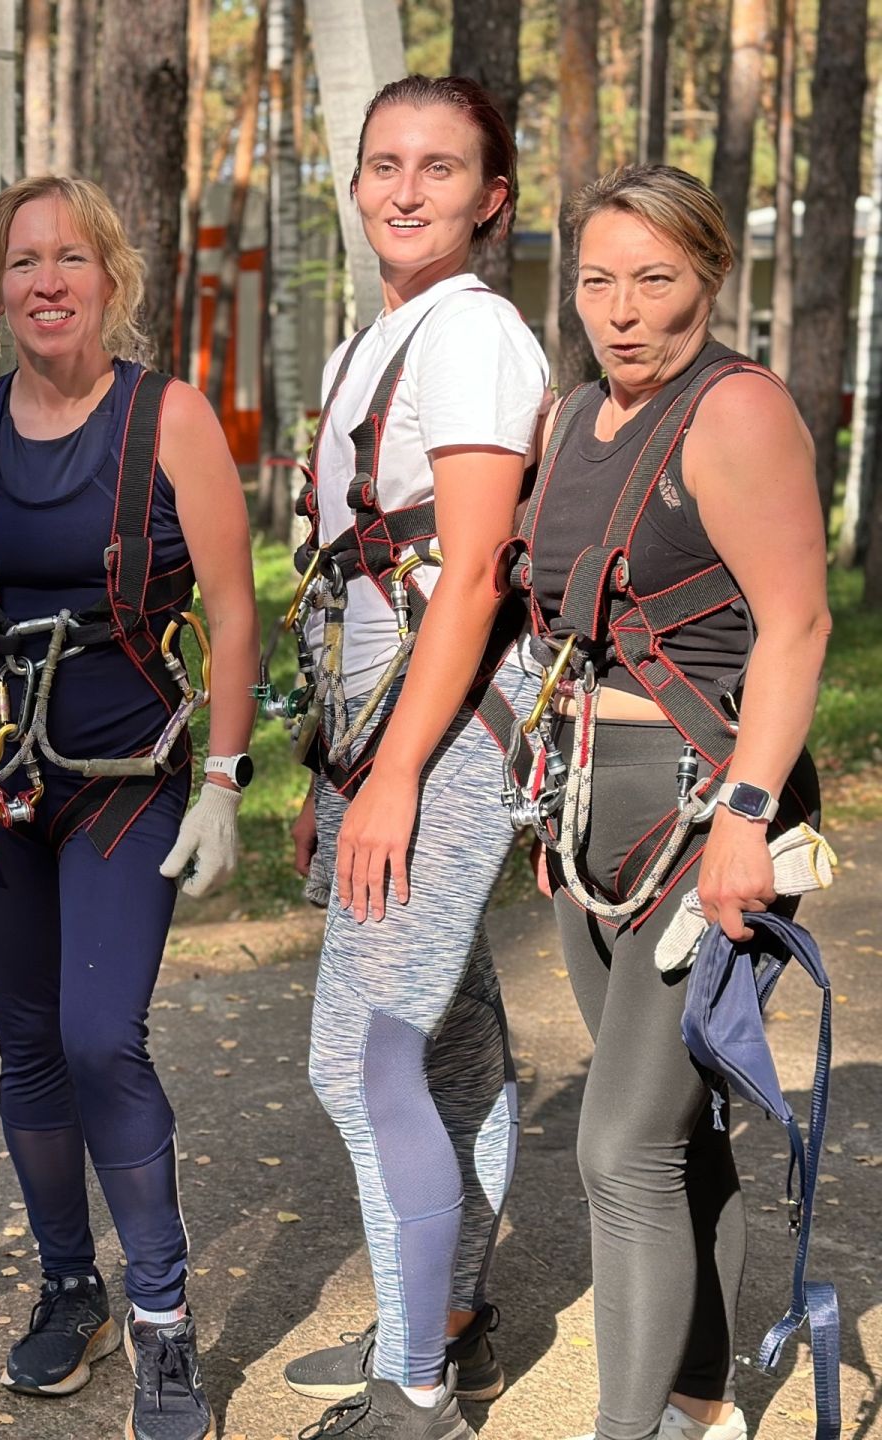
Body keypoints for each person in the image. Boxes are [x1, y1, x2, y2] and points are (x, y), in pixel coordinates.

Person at [0, 173, 259, 1440]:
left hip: (130, 776)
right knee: (26, 1043)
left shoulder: (168, 418)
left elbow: (232, 613)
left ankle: (165, 1322)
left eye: (71, 257)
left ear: (111, 278)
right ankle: (73, 1287)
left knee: (99, 1038)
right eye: (21, 262)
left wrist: (224, 782)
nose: (47, 281)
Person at [512, 165, 827, 1440]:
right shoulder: (572, 418)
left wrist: (747, 817)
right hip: (589, 806)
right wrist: (553, 804)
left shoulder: (737, 412)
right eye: (599, 279)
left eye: (656, 279)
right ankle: (704, 1409)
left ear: (710, 277)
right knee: (677, 1138)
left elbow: (797, 627)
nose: (624, 310)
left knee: (618, 1152)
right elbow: (564, 641)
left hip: (701, 806)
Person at [271, 77, 549, 1440]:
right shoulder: (371, 346)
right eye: (386, 162)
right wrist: (339, 776)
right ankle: (435, 1323)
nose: (406, 188)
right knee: (448, 1056)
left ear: (490, 200)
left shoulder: (476, 337)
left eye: (442, 169)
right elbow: (362, 581)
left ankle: (419, 1395)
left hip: (444, 747)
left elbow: (480, 566)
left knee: (361, 1059)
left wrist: (391, 777)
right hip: (384, 744)